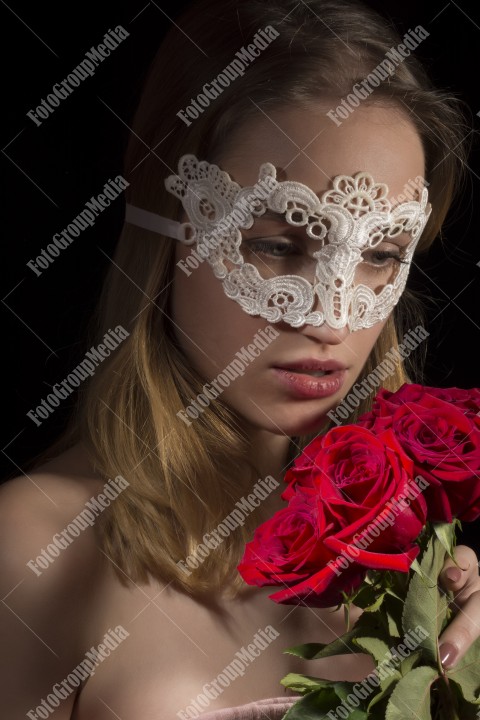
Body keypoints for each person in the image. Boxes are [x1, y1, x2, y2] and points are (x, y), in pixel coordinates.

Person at [1, 0, 479, 718]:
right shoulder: (35, 542)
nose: (329, 320)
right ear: (164, 233)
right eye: (278, 247)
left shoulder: (415, 544)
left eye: (380, 255)